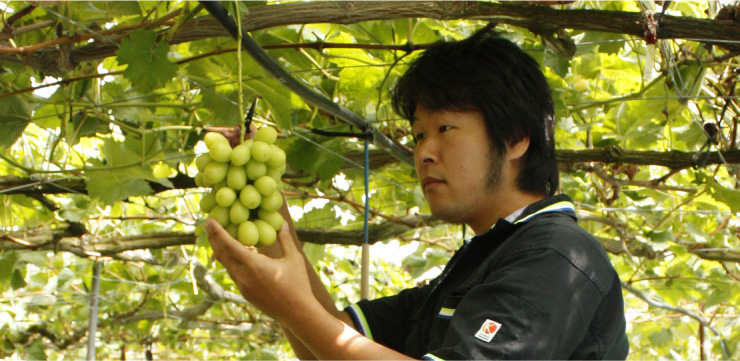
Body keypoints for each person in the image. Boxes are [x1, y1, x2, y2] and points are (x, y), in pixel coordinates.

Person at [204, 27, 630, 360]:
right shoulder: (477, 263)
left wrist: (290, 308)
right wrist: (272, 220)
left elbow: (320, 330)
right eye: (419, 134)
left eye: (444, 128)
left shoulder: (557, 257)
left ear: (517, 137)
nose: (423, 152)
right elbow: (332, 342)